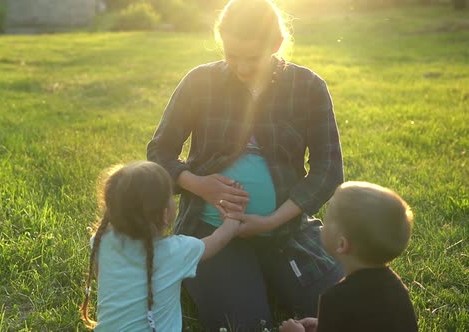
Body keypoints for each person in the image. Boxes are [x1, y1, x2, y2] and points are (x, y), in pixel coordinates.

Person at [147, 0, 344, 329]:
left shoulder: (308, 87)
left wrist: (270, 222)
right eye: (231, 56)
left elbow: (327, 171)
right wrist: (200, 185)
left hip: (287, 230)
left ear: (276, 45)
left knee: (341, 312)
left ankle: (269, 273)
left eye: (251, 59)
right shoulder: (200, 82)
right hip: (210, 233)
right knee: (243, 323)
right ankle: (245, 281)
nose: (239, 67)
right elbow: (159, 152)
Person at [80, 161, 242, 331]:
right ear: (165, 213)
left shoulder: (101, 241)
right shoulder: (177, 251)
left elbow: (103, 279)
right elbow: (217, 241)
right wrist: (233, 219)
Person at [279, 181, 418, 332]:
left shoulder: (335, 299)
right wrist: (325, 323)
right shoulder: (398, 289)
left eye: (328, 217)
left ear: (341, 244)